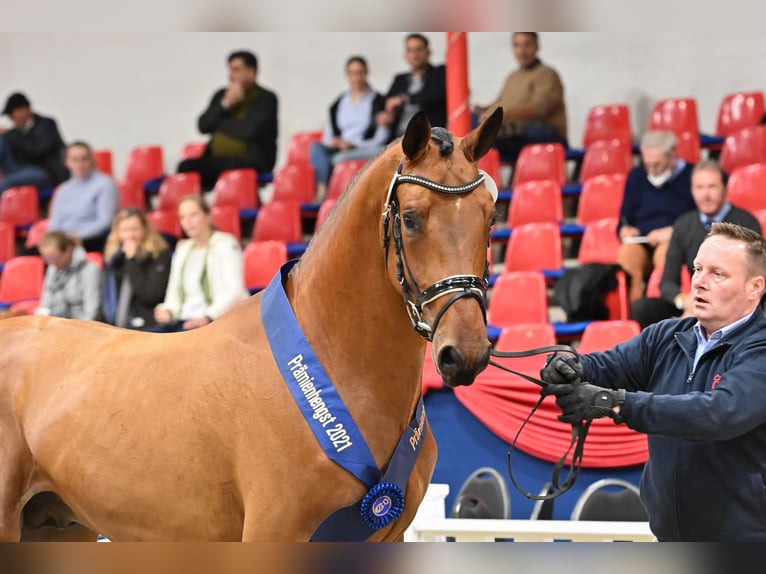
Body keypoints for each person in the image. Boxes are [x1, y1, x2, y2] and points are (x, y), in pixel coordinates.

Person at [542, 222, 766, 541]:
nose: (699, 282)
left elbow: (718, 412)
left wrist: (616, 403)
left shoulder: (760, 349)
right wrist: (568, 363)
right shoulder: (664, 336)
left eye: (718, 274)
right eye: (698, 268)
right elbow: (606, 366)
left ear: (754, 287)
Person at [631, 160, 761, 329]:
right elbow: (668, 282)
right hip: (695, 301)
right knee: (643, 308)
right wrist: (684, 301)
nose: (705, 195)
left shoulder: (747, 222)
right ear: (692, 190)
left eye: (712, 187)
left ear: (725, 188)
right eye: (699, 188)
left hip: (732, 299)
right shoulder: (683, 224)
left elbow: (751, 278)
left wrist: (707, 303)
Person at [177, 50, 278, 190]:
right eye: (230, 70)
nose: (231, 76)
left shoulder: (266, 98)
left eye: (237, 70)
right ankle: (197, 208)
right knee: (185, 166)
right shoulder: (221, 96)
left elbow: (249, 131)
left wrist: (218, 123)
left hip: (251, 161)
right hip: (217, 160)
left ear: (252, 73)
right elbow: (203, 125)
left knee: (231, 167)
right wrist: (225, 104)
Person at [618, 130, 696, 303]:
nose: (651, 170)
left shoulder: (692, 176)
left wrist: (674, 232)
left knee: (666, 256)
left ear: (673, 156)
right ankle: (633, 314)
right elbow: (624, 217)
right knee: (627, 257)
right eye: (648, 165)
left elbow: (699, 219)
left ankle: (663, 310)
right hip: (641, 240)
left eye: (657, 165)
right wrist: (625, 230)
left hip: (674, 240)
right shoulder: (636, 176)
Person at [152, 195, 247, 332]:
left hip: (216, 321)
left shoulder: (226, 244)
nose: (188, 222)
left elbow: (235, 291)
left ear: (207, 216)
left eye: (193, 215)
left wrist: (207, 316)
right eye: (183, 217)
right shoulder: (182, 249)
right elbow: (174, 292)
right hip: (184, 321)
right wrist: (168, 311)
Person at [473, 32, 568, 162]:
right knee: (470, 121)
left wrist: (501, 116)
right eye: (518, 46)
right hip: (512, 130)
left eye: (527, 45)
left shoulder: (547, 74)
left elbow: (539, 110)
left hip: (544, 132)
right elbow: (500, 103)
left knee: (493, 135)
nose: (522, 51)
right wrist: (483, 110)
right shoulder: (512, 76)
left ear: (536, 46)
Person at [310, 55, 389, 200]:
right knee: (316, 147)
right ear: (347, 75)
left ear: (366, 73)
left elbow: (382, 138)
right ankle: (322, 188)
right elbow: (327, 136)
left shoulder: (379, 100)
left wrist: (353, 145)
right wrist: (335, 142)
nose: (357, 78)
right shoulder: (339, 102)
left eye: (360, 73)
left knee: (340, 158)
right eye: (353, 73)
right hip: (340, 147)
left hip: (363, 148)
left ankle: (330, 185)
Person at [102, 207, 172, 330]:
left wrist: (131, 261)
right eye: (125, 230)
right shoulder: (114, 259)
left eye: (134, 229)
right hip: (119, 325)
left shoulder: (159, 255)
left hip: (149, 325)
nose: (130, 235)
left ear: (145, 230)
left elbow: (150, 296)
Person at [47, 141, 119, 253]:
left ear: (92, 160)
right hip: (64, 241)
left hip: (91, 239)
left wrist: (76, 236)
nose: (80, 164)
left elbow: (105, 221)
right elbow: (54, 223)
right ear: (67, 162)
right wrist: (57, 239)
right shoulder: (62, 189)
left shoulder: (105, 184)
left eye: (84, 159)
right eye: (75, 160)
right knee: (29, 255)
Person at [376, 33, 446, 143]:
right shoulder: (400, 80)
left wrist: (404, 99)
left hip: (427, 138)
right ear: (405, 55)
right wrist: (384, 115)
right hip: (398, 138)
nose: (415, 54)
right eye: (410, 50)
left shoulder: (439, 73)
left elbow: (435, 94)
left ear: (428, 52)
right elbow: (384, 103)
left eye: (419, 49)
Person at [0, 92, 67, 193]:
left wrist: (10, 134)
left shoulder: (46, 124)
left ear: (25, 110)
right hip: (20, 170)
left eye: (12, 115)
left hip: (46, 172)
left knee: (7, 182)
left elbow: (36, 150)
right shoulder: (15, 132)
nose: (11, 119)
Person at [36, 231, 102, 320]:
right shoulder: (52, 268)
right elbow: (46, 302)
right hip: (57, 324)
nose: (52, 263)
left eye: (56, 257)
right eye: (47, 259)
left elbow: (92, 312)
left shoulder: (89, 269)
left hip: (83, 326)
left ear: (68, 250)